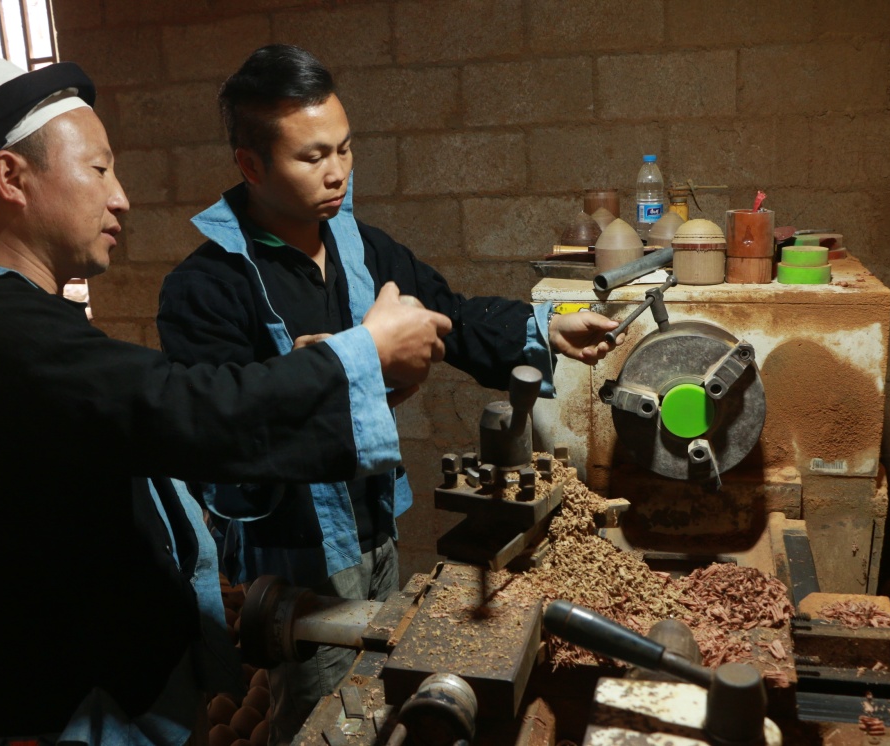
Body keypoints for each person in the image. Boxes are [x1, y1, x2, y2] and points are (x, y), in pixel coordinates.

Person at [0, 57, 452, 744]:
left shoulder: (20, 322)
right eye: (99, 170)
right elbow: (184, 409)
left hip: (113, 694)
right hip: (67, 713)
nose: (121, 198)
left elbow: (141, 432)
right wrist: (360, 357)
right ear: (12, 177)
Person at [156, 44, 622, 742]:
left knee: (377, 695)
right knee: (321, 716)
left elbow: (447, 312)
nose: (338, 171)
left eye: (345, 148)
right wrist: (333, 368)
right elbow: (223, 434)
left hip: (373, 525)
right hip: (294, 552)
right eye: (312, 156)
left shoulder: (360, 247)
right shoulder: (206, 288)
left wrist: (545, 328)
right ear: (251, 166)